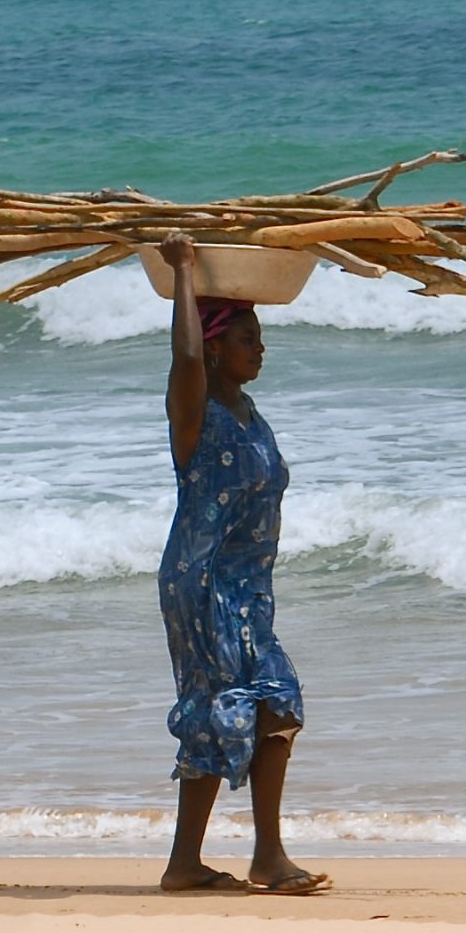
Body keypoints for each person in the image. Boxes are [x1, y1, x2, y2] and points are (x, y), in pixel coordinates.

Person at [153, 232, 329, 895]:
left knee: (269, 706)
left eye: (260, 337)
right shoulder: (195, 413)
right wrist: (184, 274)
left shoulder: (249, 412)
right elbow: (182, 358)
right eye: (249, 338)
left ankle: (204, 863)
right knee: (242, 705)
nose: (261, 348)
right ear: (217, 347)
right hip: (201, 583)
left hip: (246, 587)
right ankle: (256, 858)